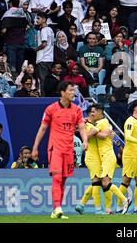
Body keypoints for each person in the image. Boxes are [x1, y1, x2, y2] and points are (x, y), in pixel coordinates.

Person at [31, 81, 88, 219]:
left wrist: (85, 140)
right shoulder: (51, 109)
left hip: (69, 150)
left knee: (63, 180)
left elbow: (81, 127)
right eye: (70, 90)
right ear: (62, 92)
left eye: (73, 90)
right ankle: (57, 207)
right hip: (55, 148)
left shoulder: (77, 110)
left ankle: (55, 210)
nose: (73, 93)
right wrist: (35, 147)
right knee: (56, 178)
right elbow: (43, 128)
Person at [116, 100, 137, 213]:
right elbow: (128, 137)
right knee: (126, 180)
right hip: (130, 155)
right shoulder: (130, 121)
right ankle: (120, 206)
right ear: (136, 108)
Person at [34, 12, 55, 94]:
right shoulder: (50, 30)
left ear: (44, 20)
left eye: (38, 18)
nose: (36, 20)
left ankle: (43, 98)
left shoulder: (43, 30)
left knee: (42, 81)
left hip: (43, 58)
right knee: (48, 81)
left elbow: (44, 44)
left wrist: (36, 49)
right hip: (50, 58)